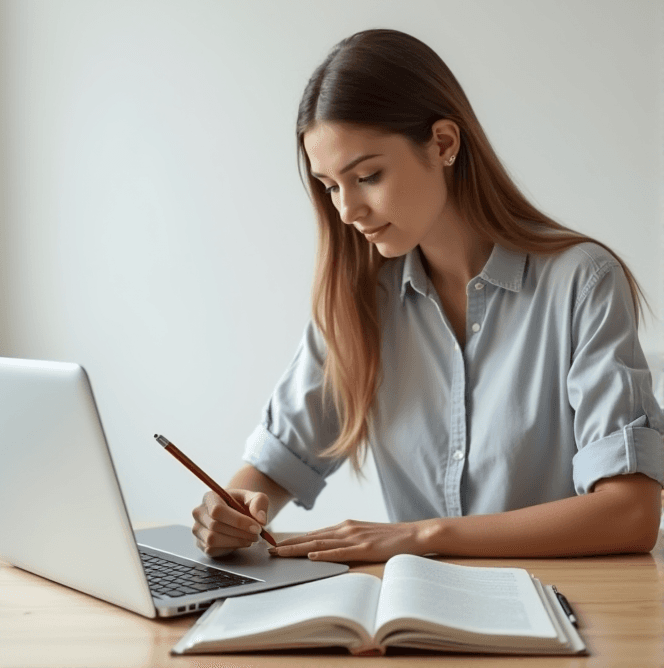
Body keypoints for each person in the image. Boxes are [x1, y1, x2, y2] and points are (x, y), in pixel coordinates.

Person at [192, 29, 664, 562]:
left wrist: (421, 537)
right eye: (329, 185)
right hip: (419, 625)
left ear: (443, 143)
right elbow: (271, 468)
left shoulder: (582, 283)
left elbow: (631, 512)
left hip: (565, 612)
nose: (346, 210)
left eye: (367, 175)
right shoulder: (360, 299)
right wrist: (229, 510)